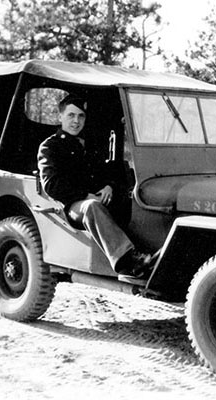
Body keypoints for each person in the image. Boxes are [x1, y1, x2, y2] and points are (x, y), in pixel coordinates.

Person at [37, 94, 154, 278]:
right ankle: (128, 261)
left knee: (133, 199)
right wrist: (85, 195)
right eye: (71, 115)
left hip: (97, 198)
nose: (76, 121)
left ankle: (150, 252)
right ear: (60, 117)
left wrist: (109, 186)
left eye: (81, 116)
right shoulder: (50, 147)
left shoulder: (89, 145)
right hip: (73, 205)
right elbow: (52, 185)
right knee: (92, 207)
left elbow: (105, 172)